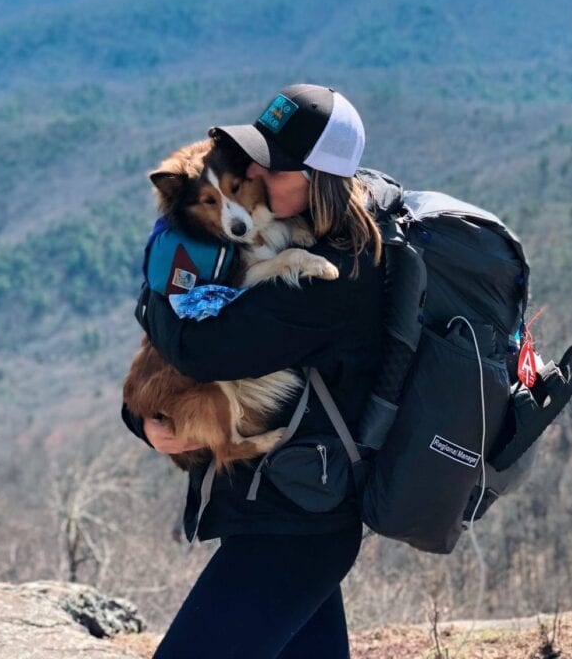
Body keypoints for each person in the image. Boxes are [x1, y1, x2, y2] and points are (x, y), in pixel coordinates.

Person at [125, 83, 385, 659]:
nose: (256, 175)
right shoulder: (285, 238)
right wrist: (141, 417)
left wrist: (153, 290)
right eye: (257, 157)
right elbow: (178, 361)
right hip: (282, 512)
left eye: (277, 166)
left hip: (294, 528)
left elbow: (201, 352)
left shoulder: (330, 275)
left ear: (321, 178)